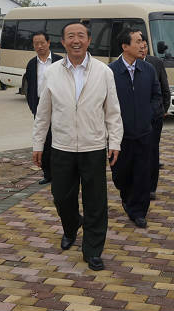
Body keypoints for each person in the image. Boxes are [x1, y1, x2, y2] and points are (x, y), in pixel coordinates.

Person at [32, 21, 122, 271]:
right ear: (62, 42)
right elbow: (43, 113)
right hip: (62, 146)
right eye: (70, 36)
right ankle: (71, 227)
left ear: (88, 40)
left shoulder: (104, 72)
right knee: (61, 197)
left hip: (93, 146)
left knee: (95, 201)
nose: (76, 40)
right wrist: (38, 144)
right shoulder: (52, 72)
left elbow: (113, 112)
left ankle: (92, 250)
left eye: (80, 36)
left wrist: (114, 142)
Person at [109, 28, 161, 228]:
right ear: (125, 46)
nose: (142, 45)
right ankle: (127, 197)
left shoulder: (148, 69)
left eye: (143, 41)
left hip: (144, 132)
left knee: (143, 173)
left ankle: (139, 210)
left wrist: (149, 113)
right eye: (138, 41)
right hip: (119, 135)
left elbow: (156, 96)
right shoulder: (110, 71)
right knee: (121, 174)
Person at [25, 32, 63, 184]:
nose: (39, 46)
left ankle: (61, 172)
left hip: (59, 105)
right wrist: (34, 107)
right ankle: (48, 174)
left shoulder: (60, 61)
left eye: (42, 42)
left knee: (59, 140)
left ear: (48, 43)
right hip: (40, 105)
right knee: (44, 142)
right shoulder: (31, 64)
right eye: (36, 43)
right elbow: (29, 89)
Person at [139, 38, 170, 200]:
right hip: (136, 117)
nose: (142, 49)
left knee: (152, 151)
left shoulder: (155, 63)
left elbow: (165, 87)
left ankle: (151, 187)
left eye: (145, 47)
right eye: (140, 46)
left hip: (154, 117)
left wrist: (163, 109)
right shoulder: (129, 63)